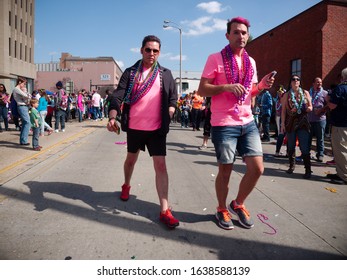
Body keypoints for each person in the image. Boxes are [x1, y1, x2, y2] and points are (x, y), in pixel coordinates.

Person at [198, 17, 275, 230]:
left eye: (244, 33)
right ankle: (222, 208)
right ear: (227, 35)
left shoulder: (251, 62)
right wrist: (226, 87)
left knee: (257, 168)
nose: (241, 36)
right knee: (225, 171)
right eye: (236, 32)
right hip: (224, 123)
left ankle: (237, 203)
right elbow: (202, 90)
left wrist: (261, 85)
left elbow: (250, 92)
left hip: (247, 121)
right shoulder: (215, 58)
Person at [107, 35, 179, 229]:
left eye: (155, 50)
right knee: (131, 160)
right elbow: (117, 96)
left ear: (159, 52)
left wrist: (170, 114)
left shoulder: (165, 73)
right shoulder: (131, 73)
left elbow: (173, 99)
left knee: (161, 166)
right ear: (141, 50)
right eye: (148, 50)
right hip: (135, 128)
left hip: (156, 129)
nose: (151, 54)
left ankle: (165, 209)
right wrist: (113, 116)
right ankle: (126, 185)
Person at [281, 75, 313, 179]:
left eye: (297, 79)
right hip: (290, 122)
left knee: (304, 146)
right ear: (290, 82)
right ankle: (291, 165)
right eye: (293, 79)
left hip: (303, 122)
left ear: (300, 82)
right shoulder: (286, 95)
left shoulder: (305, 92)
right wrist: (282, 124)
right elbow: (283, 111)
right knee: (290, 145)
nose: (295, 81)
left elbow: (311, 106)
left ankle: (308, 169)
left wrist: (309, 108)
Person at [325, 67, 347, 185]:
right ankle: (340, 173)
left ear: (343, 77)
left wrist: (328, 100)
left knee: (341, 150)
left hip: (340, 124)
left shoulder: (341, 88)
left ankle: (344, 176)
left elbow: (332, 106)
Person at [308, 77, 328, 162]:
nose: (319, 84)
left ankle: (320, 154)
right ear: (313, 84)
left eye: (320, 83)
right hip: (309, 119)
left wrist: (321, 110)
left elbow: (329, 105)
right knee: (308, 138)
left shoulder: (325, 93)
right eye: (317, 82)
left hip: (320, 120)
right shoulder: (309, 93)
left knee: (320, 138)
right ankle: (306, 154)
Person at [12, 77, 31, 145]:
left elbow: (28, 96)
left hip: (24, 106)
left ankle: (23, 140)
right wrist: (26, 92)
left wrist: (27, 94)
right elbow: (26, 95)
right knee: (27, 123)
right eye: (24, 83)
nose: (24, 85)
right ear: (19, 82)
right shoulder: (16, 89)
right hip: (21, 106)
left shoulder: (18, 89)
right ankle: (23, 140)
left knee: (25, 123)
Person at [274, 85, 286, 156]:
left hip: (285, 118)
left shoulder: (285, 99)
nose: (279, 94)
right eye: (278, 93)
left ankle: (288, 152)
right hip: (279, 118)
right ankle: (277, 151)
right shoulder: (278, 100)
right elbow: (277, 109)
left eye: (281, 92)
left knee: (286, 135)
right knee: (280, 135)